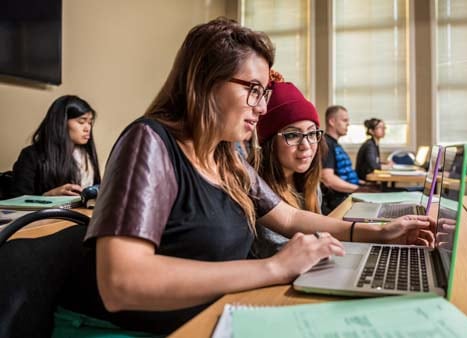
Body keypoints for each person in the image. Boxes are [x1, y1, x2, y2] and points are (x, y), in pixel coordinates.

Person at [55, 18, 436, 336]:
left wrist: (377, 232)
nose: (263, 106)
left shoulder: (227, 154)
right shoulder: (149, 142)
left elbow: (287, 217)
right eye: (253, 90)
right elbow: (122, 283)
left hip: (208, 319)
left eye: (265, 92)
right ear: (204, 81)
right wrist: (274, 267)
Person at [251, 76, 325, 257]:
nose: (306, 145)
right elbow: (278, 251)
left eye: (312, 133)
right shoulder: (257, 189)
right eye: (292, 135)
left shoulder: (309, 183)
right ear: (268, 144)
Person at [11, 95, 101, 197]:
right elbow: (17, 200)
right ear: (61, 122)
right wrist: (48, 195)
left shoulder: (87, 155)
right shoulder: (31, 155)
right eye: (81, 122)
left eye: (90, 123)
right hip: (48, 213)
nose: (87, 128)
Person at [320, 105, 362, 214]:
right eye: (344, 120)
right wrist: (358, 189)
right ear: (332, 121)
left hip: (348, 194)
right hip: (339, 201)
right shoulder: (326, 144)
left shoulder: (335, 144)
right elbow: (327, 179)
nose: (348, 124)